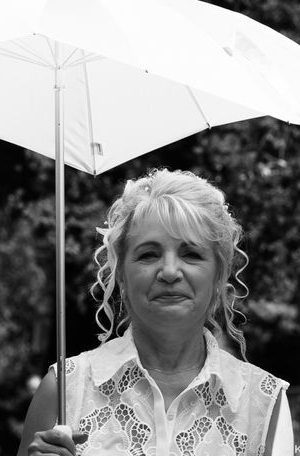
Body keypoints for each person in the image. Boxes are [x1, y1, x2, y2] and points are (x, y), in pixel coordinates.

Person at [17, 169, 294, 456]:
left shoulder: (264, 403)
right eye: (149, 254)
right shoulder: (63, 390)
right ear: (122, 274)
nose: (170, 272)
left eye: (191, 254)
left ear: (218, 275)